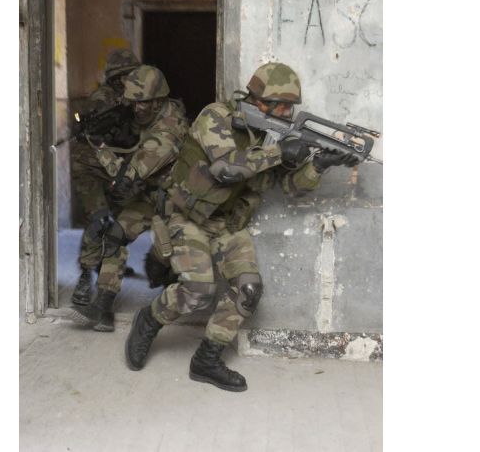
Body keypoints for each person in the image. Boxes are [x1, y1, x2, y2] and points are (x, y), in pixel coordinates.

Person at [125, 62, 359, 391]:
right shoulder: (216, 116)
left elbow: (291, 188)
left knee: (248, 290)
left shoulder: (272, 134)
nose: (287, 112)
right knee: (198, 292)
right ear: (258, 99)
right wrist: (278, 151)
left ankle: (207, 359)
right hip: (185, 217)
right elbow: (224, 170)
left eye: (290, 107)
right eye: (280, 105)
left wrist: (319, 165)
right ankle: (149, 320)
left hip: (228, 221)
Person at [69, 65, 189, 332]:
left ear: (158, 100)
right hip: (151, 194)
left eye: (142, 104)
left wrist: (100, 146)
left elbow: (125, 178)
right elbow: (131, 121)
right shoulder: (157, 111)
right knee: (115, 234)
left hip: (174, 203)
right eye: (133, 102)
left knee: (164, 265)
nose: (136, 109)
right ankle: (102, 308)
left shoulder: (166, 136)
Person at [70, 49, 141, 306]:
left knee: (118, 225)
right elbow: (93, 132)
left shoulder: (131, 100)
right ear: (117, 77)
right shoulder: (102, 99)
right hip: (90, 169)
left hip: (114, 167)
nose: (132, 79)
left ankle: (107, 269)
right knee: (99, 220)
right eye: (128, 75)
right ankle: (85, 276)